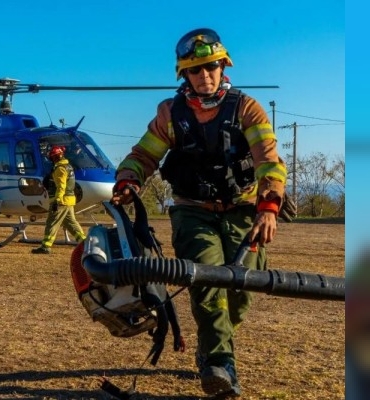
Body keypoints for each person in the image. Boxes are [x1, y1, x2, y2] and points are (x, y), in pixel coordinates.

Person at [111, 28, 287, 398]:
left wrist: (269, 204)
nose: (205, 76)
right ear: (184, 75)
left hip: (244, 209)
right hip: (192, 212)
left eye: (211, 67)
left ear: (223, 67)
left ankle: (211, 347)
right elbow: (144, 154)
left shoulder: (247, 108)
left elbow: (267, 160)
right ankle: (220, 365)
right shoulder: (170, 114)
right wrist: (128, 179)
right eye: (195, 70)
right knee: (207, 279)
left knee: (242, 289)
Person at [32, 145, 86, 254]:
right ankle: (85, 244)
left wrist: (57, 200)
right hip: (69, 200)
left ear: (55, 157)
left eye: (52, 157)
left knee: (51, 223)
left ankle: (45, 246)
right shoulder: (68, 166)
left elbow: (61, 186)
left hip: (61, 201)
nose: (51, 159)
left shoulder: (60, 168)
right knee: (71, 223)